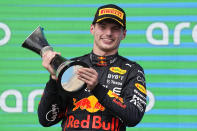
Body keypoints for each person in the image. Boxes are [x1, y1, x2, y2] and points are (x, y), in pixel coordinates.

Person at [38, 4, 147, 131]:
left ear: (124, 34)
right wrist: (53, 79)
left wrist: (97, 88)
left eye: (115, 28)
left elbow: (134, 116)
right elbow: (46, 120)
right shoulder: (71, 67)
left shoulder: (132, 70)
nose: (108, 33)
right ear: (92, 29)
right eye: (102, 27)